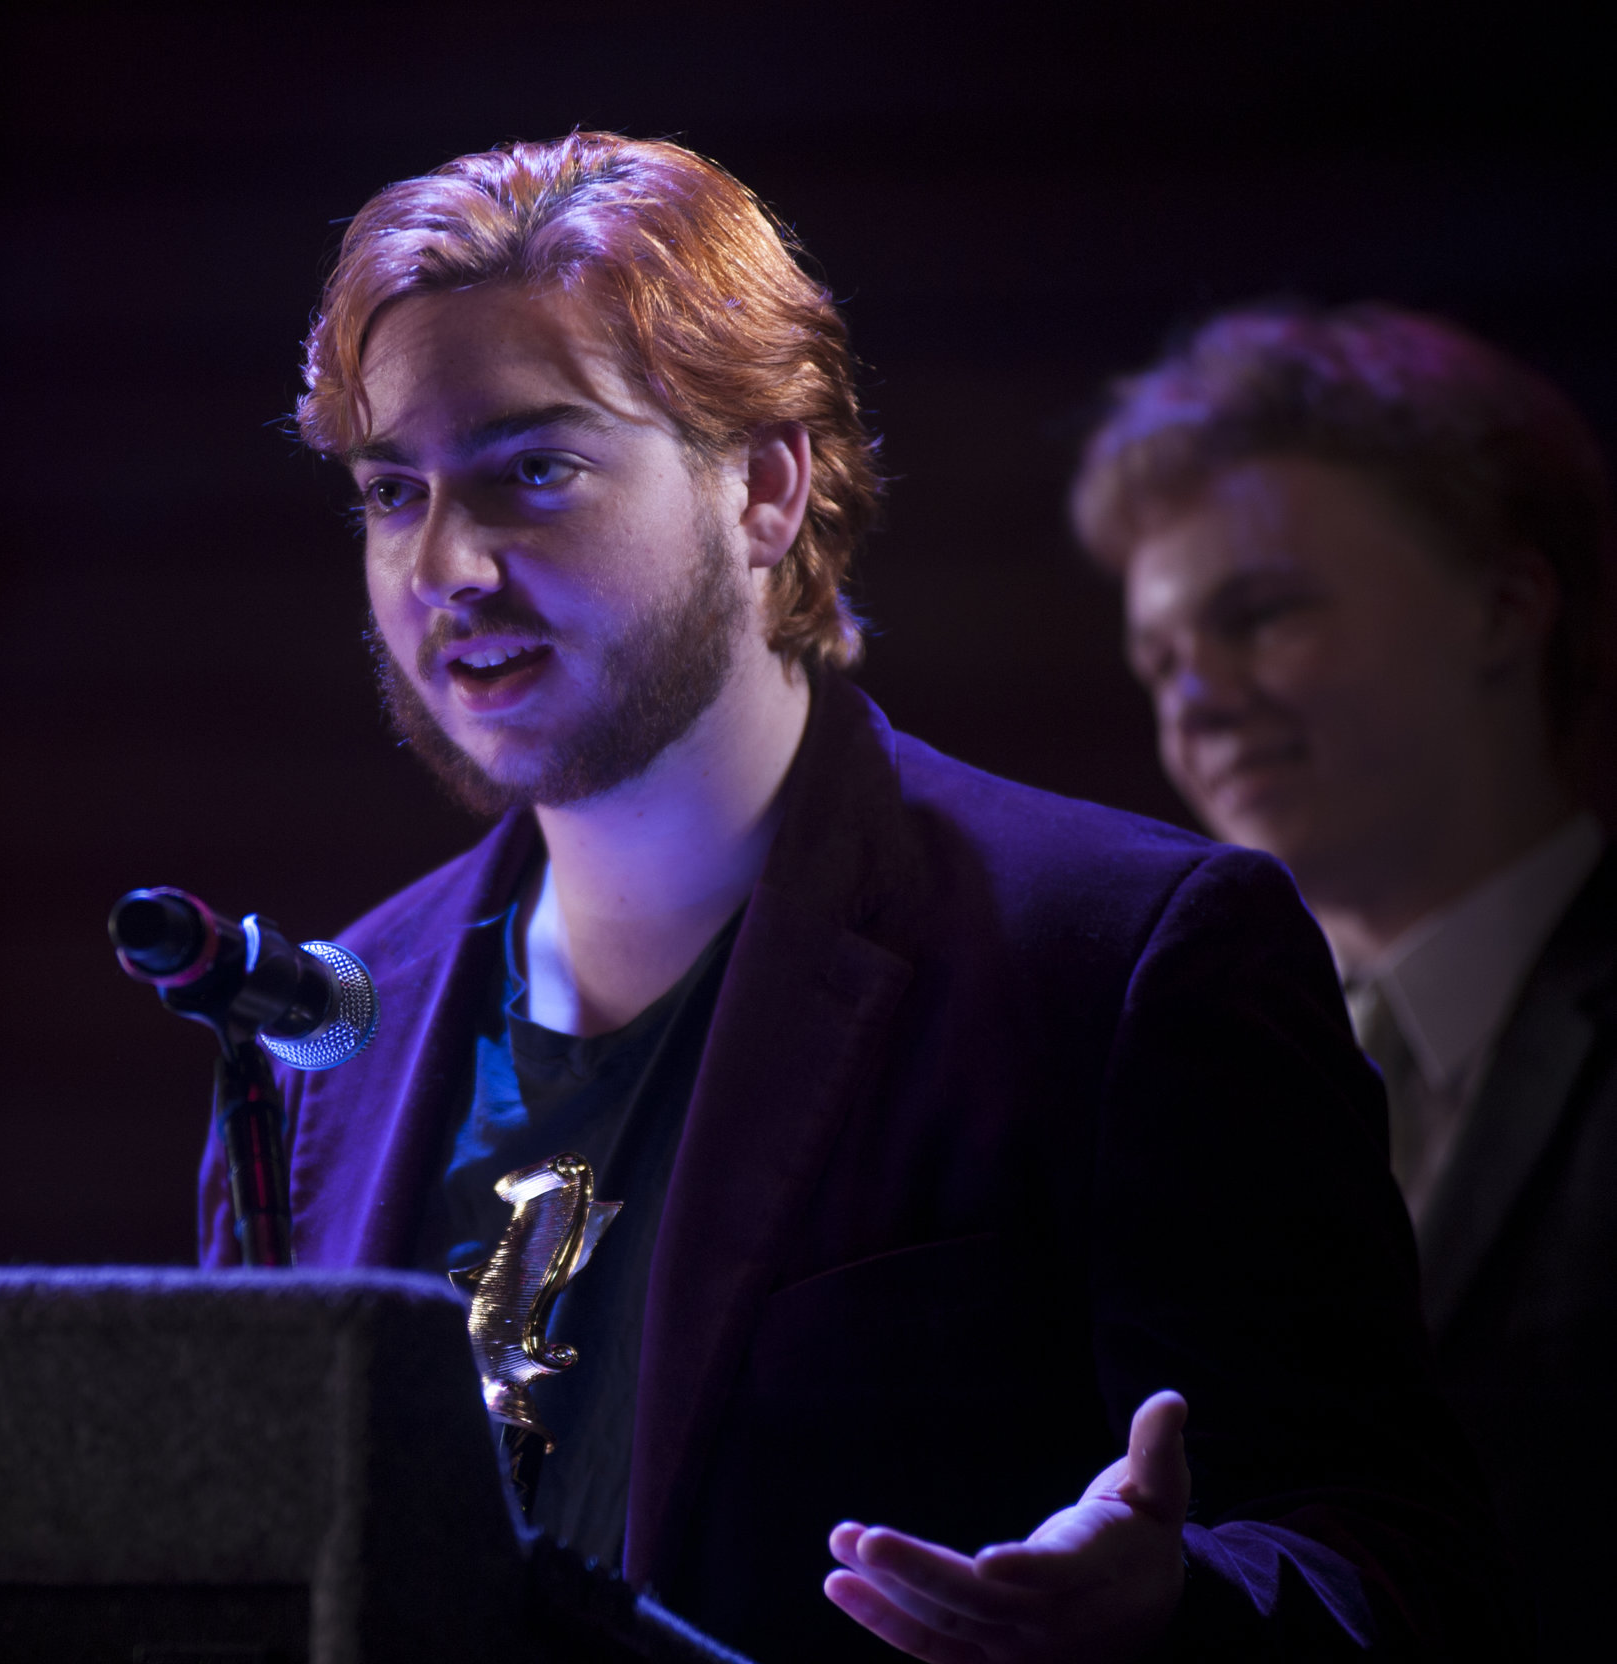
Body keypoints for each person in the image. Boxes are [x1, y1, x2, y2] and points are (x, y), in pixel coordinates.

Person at [198, 134, 1510, 1662]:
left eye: (533, 471)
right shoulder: (320, 1029)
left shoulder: (1129, 958)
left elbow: (1404, 1566)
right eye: (391, 491)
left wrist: (1175, 1611)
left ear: (763, 486)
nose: (449, 565)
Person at [1075, 302, 1616, 1661]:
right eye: (1157, 657)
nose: (1190, 695)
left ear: (1505, 609)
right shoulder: (1172, 1073)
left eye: (1258, 615)